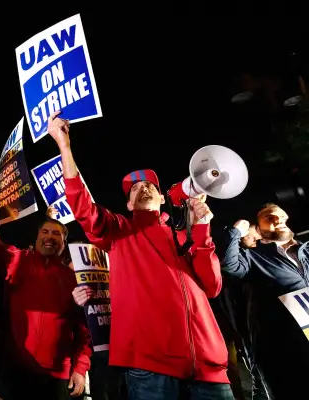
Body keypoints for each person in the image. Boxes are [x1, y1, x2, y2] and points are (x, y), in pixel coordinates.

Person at [47, 110, 233, 400]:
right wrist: (64, 146)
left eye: (149, 186)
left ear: (162, 198)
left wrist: (203, 229)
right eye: (134, 188)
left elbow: (211, 286)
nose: (143, 188)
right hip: (150, 367)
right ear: (128, 203)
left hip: (208, 369)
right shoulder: (119, 231)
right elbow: (83, 207)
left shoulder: (183, 237)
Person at [0, 180, 92, 400]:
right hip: (14, 370)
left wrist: (80, 368)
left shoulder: (74, 279)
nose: (50, 236)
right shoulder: (16, 259)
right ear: (37, 237)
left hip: (56, 377)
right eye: (46, 232)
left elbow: (83, 330)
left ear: (64, 243)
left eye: (57, 234)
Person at [220, 203, 309, 399]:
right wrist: (236, 231)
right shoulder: (253, 257)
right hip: (286, 352)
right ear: (258, 230)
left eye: (280, 216)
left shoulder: (307, 250)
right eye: (269, 218)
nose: (277, 219)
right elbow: (229, 265)